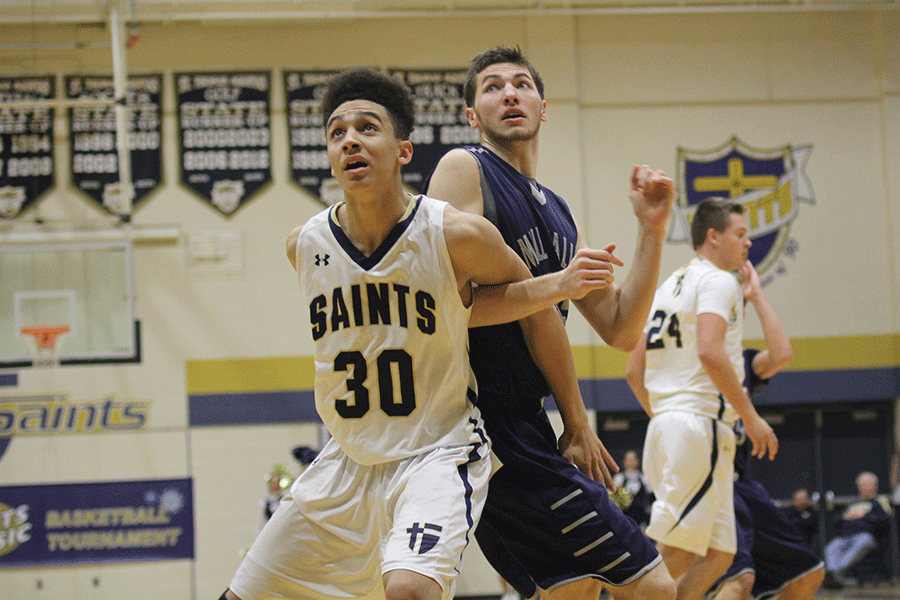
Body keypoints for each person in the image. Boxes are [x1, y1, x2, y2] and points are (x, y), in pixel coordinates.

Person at [220, 67, 593, 600]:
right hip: (345, 459)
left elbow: (524, 299)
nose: (350, 139)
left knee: (409, 590)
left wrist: (555, 291)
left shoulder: (454, 233)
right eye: (336, 132)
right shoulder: (303, 245)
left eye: (367, 128)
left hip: (436, 451)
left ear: (403, 151)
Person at [426, 46, 677, 600]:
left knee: (576, 591)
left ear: (544, 107)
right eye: (492, 87)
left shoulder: (558, 209)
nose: (509, 93)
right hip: (483, 423)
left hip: (527, 425)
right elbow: (443, 304)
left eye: (521, 84)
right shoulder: (465, 168)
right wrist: (557, 286)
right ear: (472, 115)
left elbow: (619, 327)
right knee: (655, 586)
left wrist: (652, 231)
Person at [625, 197, 779, 600]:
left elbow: (632, 372)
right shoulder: (719, 281)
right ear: (714, 236)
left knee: (719, 552)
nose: (748, 243)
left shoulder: (669, 285)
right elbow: (710, 350)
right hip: (699, 424)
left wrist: (668, 418)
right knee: (673, 551)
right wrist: (750, 415)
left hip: (668, 424)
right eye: (740, 234)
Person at [703, 261, 824, 600]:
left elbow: (782, 353)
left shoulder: (741, 361)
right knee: (738, 581)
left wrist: (756, 296)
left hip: (744, 487)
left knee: (807, 575)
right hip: (710, 481)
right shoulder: (693, 359)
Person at [822, 471, 890, 589]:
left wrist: (863, 516)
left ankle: (834, 573)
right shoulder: (853, 503)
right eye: (862, 485)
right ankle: (834, 577)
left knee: (862, 540)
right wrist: (845, 517)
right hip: (846, 537)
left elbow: (884, 519)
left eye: (867, 484)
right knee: (831, 547)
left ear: (875, 486)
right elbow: (837, 520)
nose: (864, 487)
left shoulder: (879, 501)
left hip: (868, 538)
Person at [611, 450, 654, 530]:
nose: (631, 462)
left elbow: (651, 497)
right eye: (628, 460)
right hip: (625, 517)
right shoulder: (619, 479)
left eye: (633, 459)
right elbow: (613, 498)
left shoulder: (644, 479)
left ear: (637, 462)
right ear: (624, 462)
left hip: (641, 519)